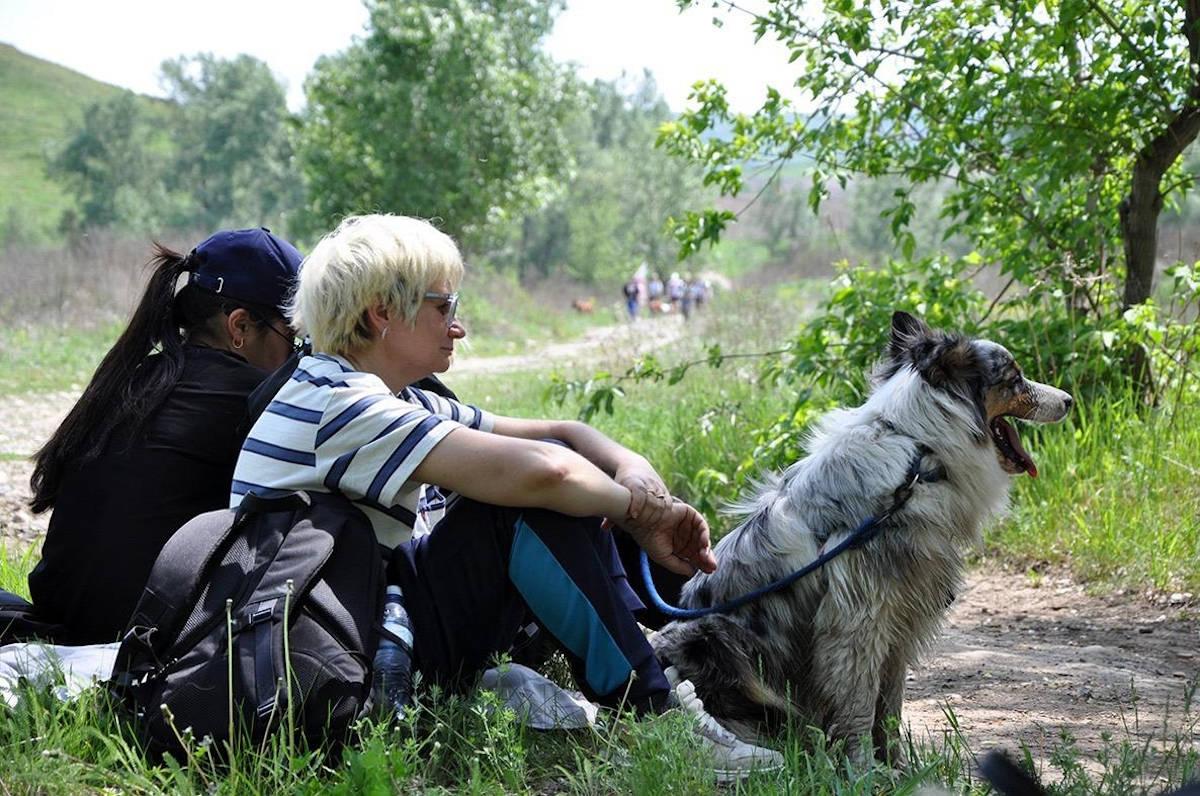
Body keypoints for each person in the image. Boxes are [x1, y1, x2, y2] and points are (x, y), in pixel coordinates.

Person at [230, 214, 783, 780]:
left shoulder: (371, 390)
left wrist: (630, 471)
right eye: (444, 306)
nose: (458, 326)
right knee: (526, 502)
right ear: (382, 313)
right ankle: (658, 715)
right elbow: (547, 473)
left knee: (567, 489)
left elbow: (563, 435)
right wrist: (641, 513)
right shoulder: (345, 407)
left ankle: (648, 651)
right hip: (332, 652)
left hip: (370, 616)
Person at [27, 228, 303, 644]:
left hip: (63, 615)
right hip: (141, 639)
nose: (296, 354)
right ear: (240, 327)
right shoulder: (253, 397)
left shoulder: (136, 378)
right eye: (292, 336)